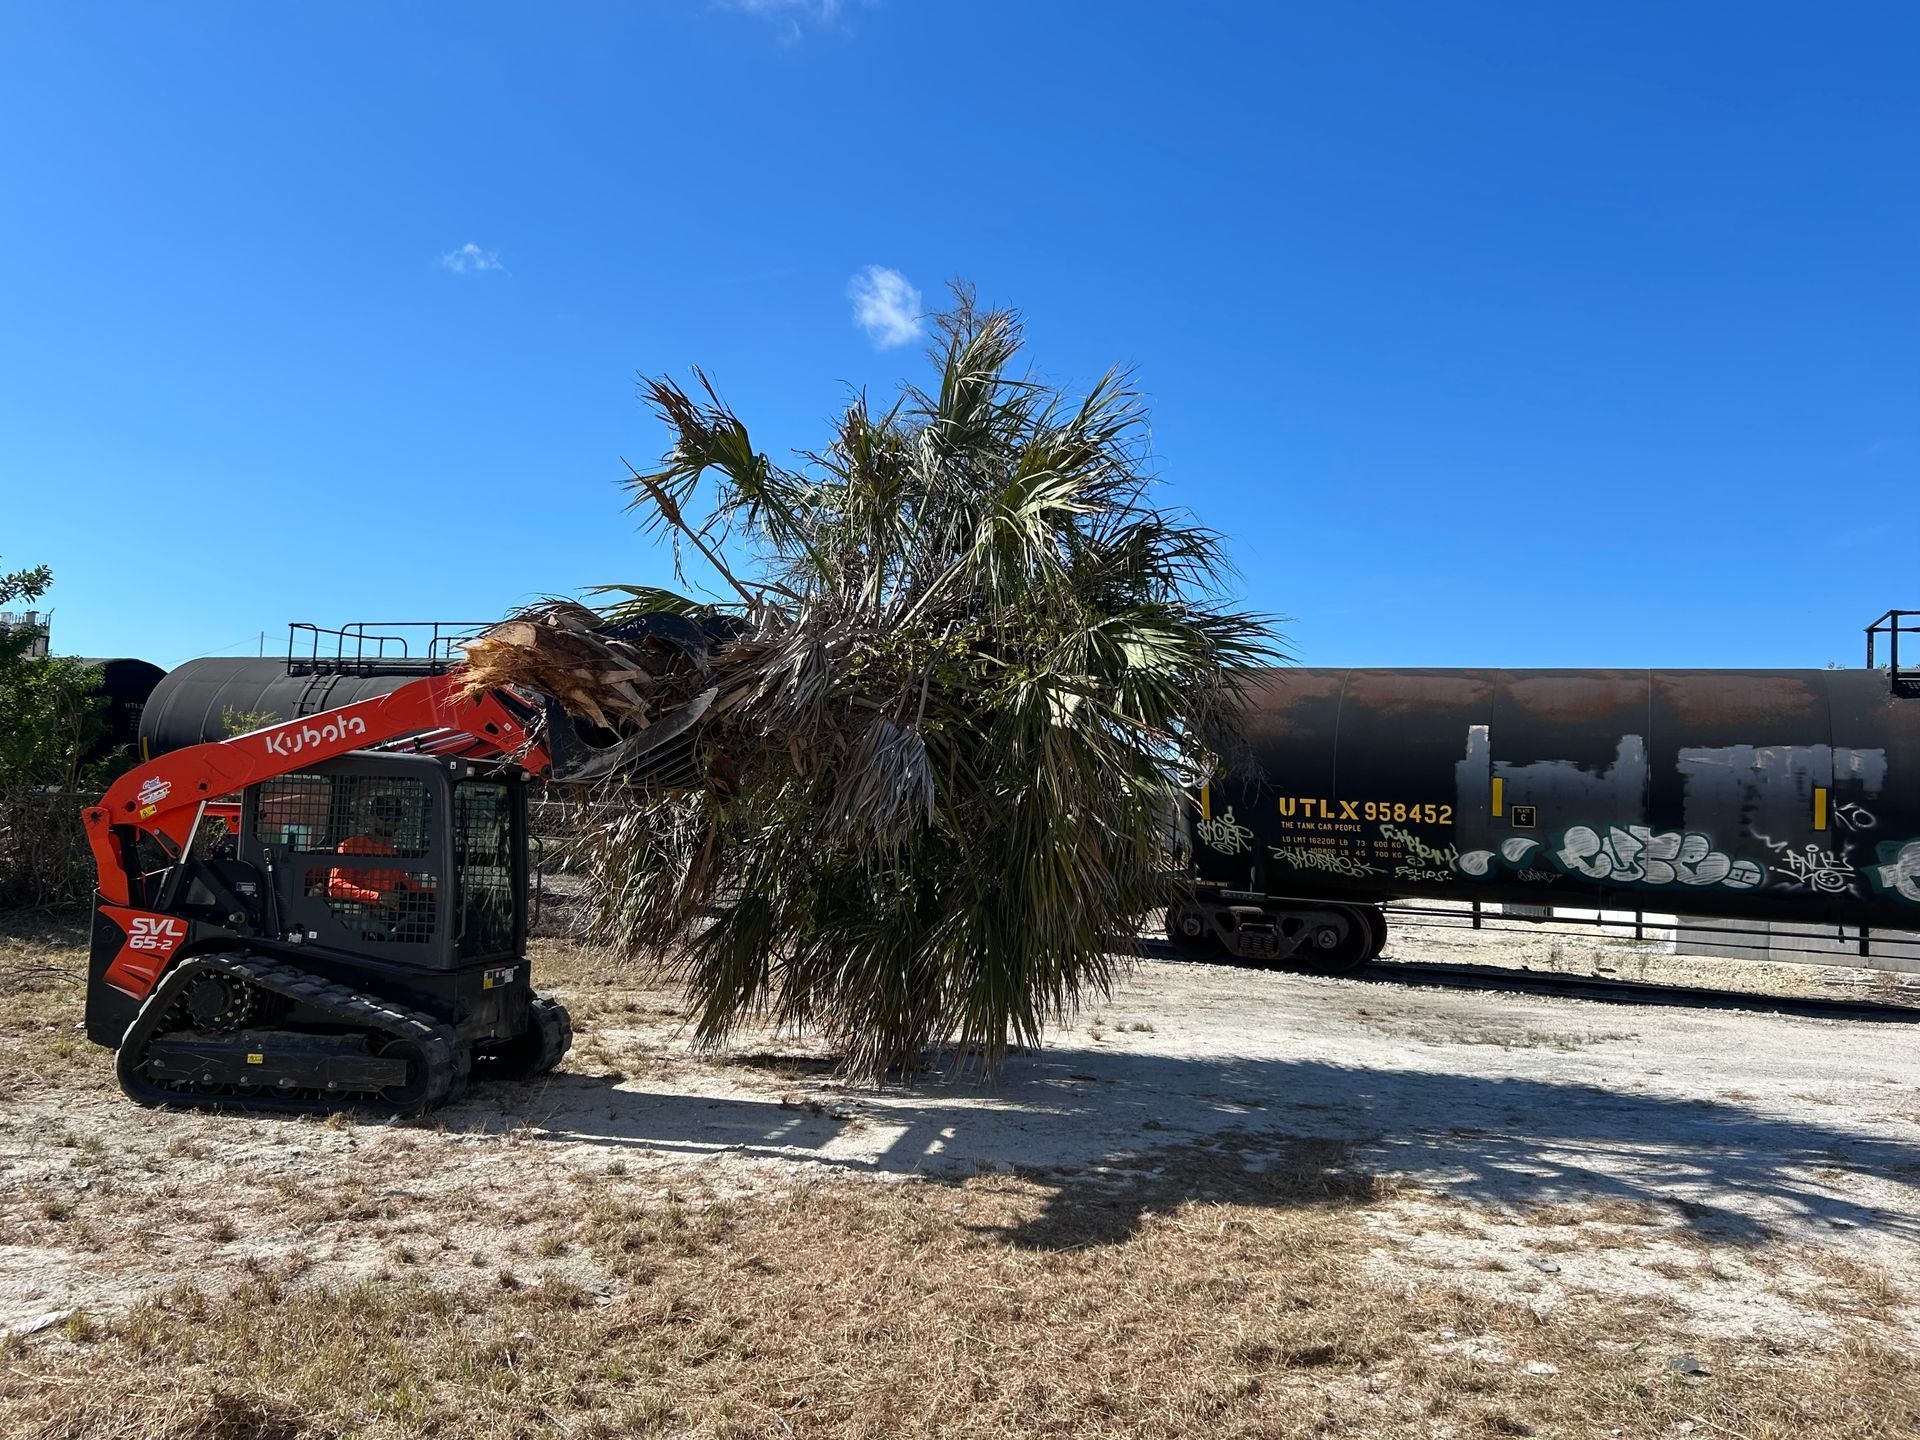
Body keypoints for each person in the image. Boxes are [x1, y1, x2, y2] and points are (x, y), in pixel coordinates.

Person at [327, 793, 422, 915]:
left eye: (396, 818)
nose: (391, 822)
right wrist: (376, 897)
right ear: (370, 818)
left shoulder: (391, 851)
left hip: (388, 914)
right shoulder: (352, 846)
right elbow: (336, 887)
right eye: (384, 817)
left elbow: (406, 883)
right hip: (357, 915)